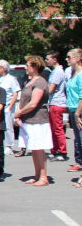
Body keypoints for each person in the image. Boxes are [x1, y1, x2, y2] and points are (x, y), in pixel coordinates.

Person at [13, 55, 52, 186]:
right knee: (33, 148)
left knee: (39, 148)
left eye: (28, 65)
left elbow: (33, 103)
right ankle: (37, 175)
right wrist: (19, 114)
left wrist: (19, 112)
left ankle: (43, 176)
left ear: (35, 67)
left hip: (38, 119)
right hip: (28, 119)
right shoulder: (29, 81)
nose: (26, 67)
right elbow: (24, 100)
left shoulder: (40, 82)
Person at [45, 51, 69, 161]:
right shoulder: (54, 71)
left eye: (48, 59)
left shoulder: (58, 72)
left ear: (55, 59)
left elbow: (51, 89)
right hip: (53, 103)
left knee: (58, 129)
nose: (46, 61)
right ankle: (54, 150)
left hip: (57, 103)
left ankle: (62, 151)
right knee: (53, 128)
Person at [63, 49, 82, 186]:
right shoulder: (72, 74)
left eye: (69, 57)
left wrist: (77, 114)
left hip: (79, 112)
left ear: (78, 58)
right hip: (73, 110)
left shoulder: (81, 75)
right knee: (78, 143)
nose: (67, 59)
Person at [0, 60, 21, 155]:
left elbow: (15, 93)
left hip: (7, 107)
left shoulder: (11, 79)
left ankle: (8, 146)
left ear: (4, 69)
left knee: (8, 126)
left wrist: (10, 106)